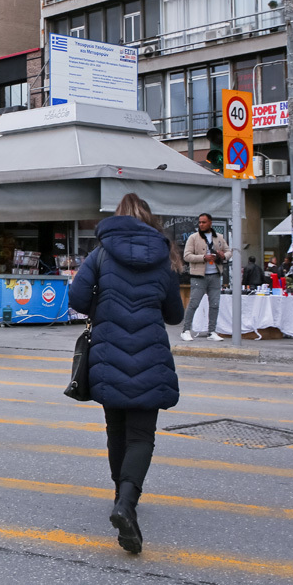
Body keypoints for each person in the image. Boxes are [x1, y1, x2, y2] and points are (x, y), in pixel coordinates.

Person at [70, 193, 184, 556]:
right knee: (141, 435)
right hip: (149, 354)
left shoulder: (101, 253)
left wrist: (101, 300)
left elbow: (76, 298)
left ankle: (121, 496)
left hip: (108, 351)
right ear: (149, 220)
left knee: (116, 429)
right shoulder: (163, 258)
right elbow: (175, 315)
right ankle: (126, 502)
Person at [180, 213, 230, 342]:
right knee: (193, 303)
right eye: (200, 222)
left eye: (204, 222)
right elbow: (186, 256)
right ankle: (185, 330)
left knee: (214, 304)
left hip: (215, 274)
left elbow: (229, 251)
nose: (201, 224)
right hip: (199, 276)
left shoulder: (219, 237)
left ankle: (211, 331)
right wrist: (203, 258)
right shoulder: (193, 238)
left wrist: (223, 255)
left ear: (210, 223)